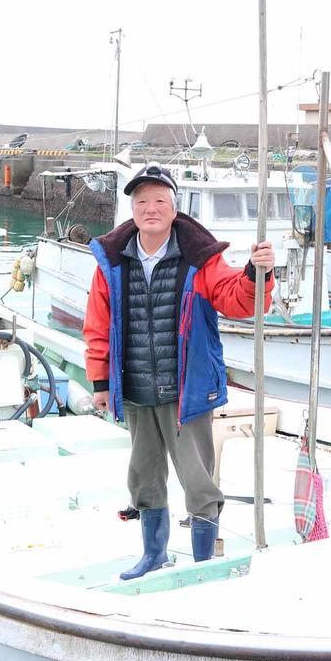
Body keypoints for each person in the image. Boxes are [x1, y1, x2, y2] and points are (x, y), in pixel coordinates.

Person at [83, 164, 275, 580]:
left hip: (186, 392)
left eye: (159, 201)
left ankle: (203, 562)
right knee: (144, 477)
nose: (150, 208)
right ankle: (154, 555)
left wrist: (256, 274)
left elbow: (240, 302)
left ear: (174, 208)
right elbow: (98, 325)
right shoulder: (112, 263)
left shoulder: (200, 260)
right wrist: (101, 382)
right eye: (141, 201)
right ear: (131, 209)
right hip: (134, 388)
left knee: (197, 480)